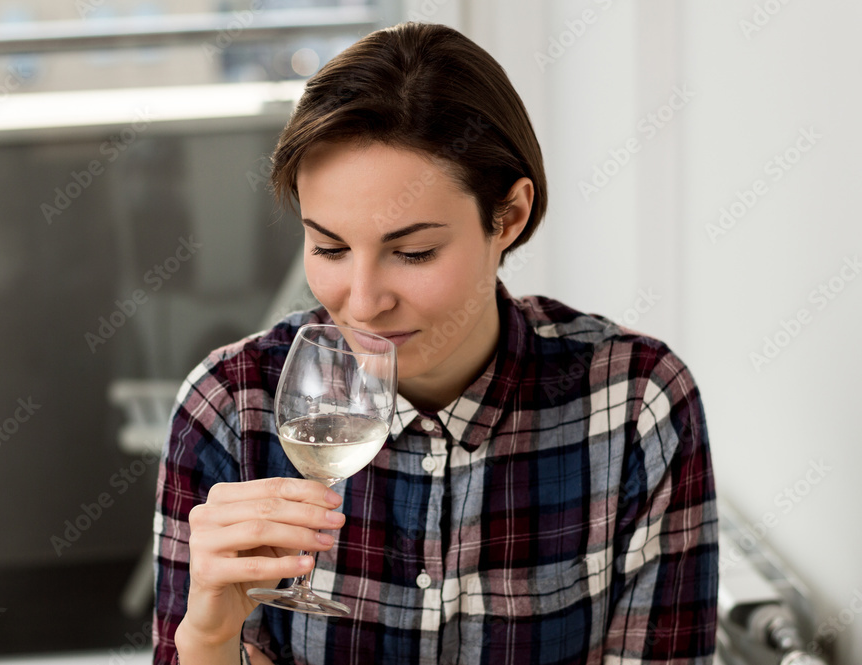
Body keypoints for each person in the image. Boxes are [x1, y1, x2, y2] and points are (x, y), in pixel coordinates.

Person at [153, 21, 718, 665]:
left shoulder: (637, 400)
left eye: (413, 252)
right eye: (329, 247)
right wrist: (210, 639)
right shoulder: (232, 404)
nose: (362, 302)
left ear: (508, 217)